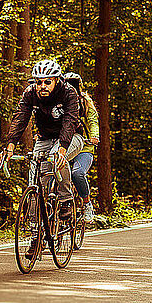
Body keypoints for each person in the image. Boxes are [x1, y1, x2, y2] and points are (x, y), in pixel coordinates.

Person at [0, 60, 83, 255]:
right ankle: (36, 237)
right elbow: (21, 117)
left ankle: (65, 200)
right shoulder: (30, 93)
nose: (42, 86)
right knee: (35, 184)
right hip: (44, 138)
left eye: (47, 82)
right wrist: (10, 147)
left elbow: (70, 122)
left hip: (72, 137)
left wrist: (62, 149)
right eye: (39, 82)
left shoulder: (68, 92)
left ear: (56, 81)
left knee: (56, 159)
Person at [64, 72, 99, 221]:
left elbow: (92, 121)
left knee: (77, 173)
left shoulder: (86, 103)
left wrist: (94, 136)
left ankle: (87, 203)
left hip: (84, 148)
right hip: (65, 147)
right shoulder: (61, 102)